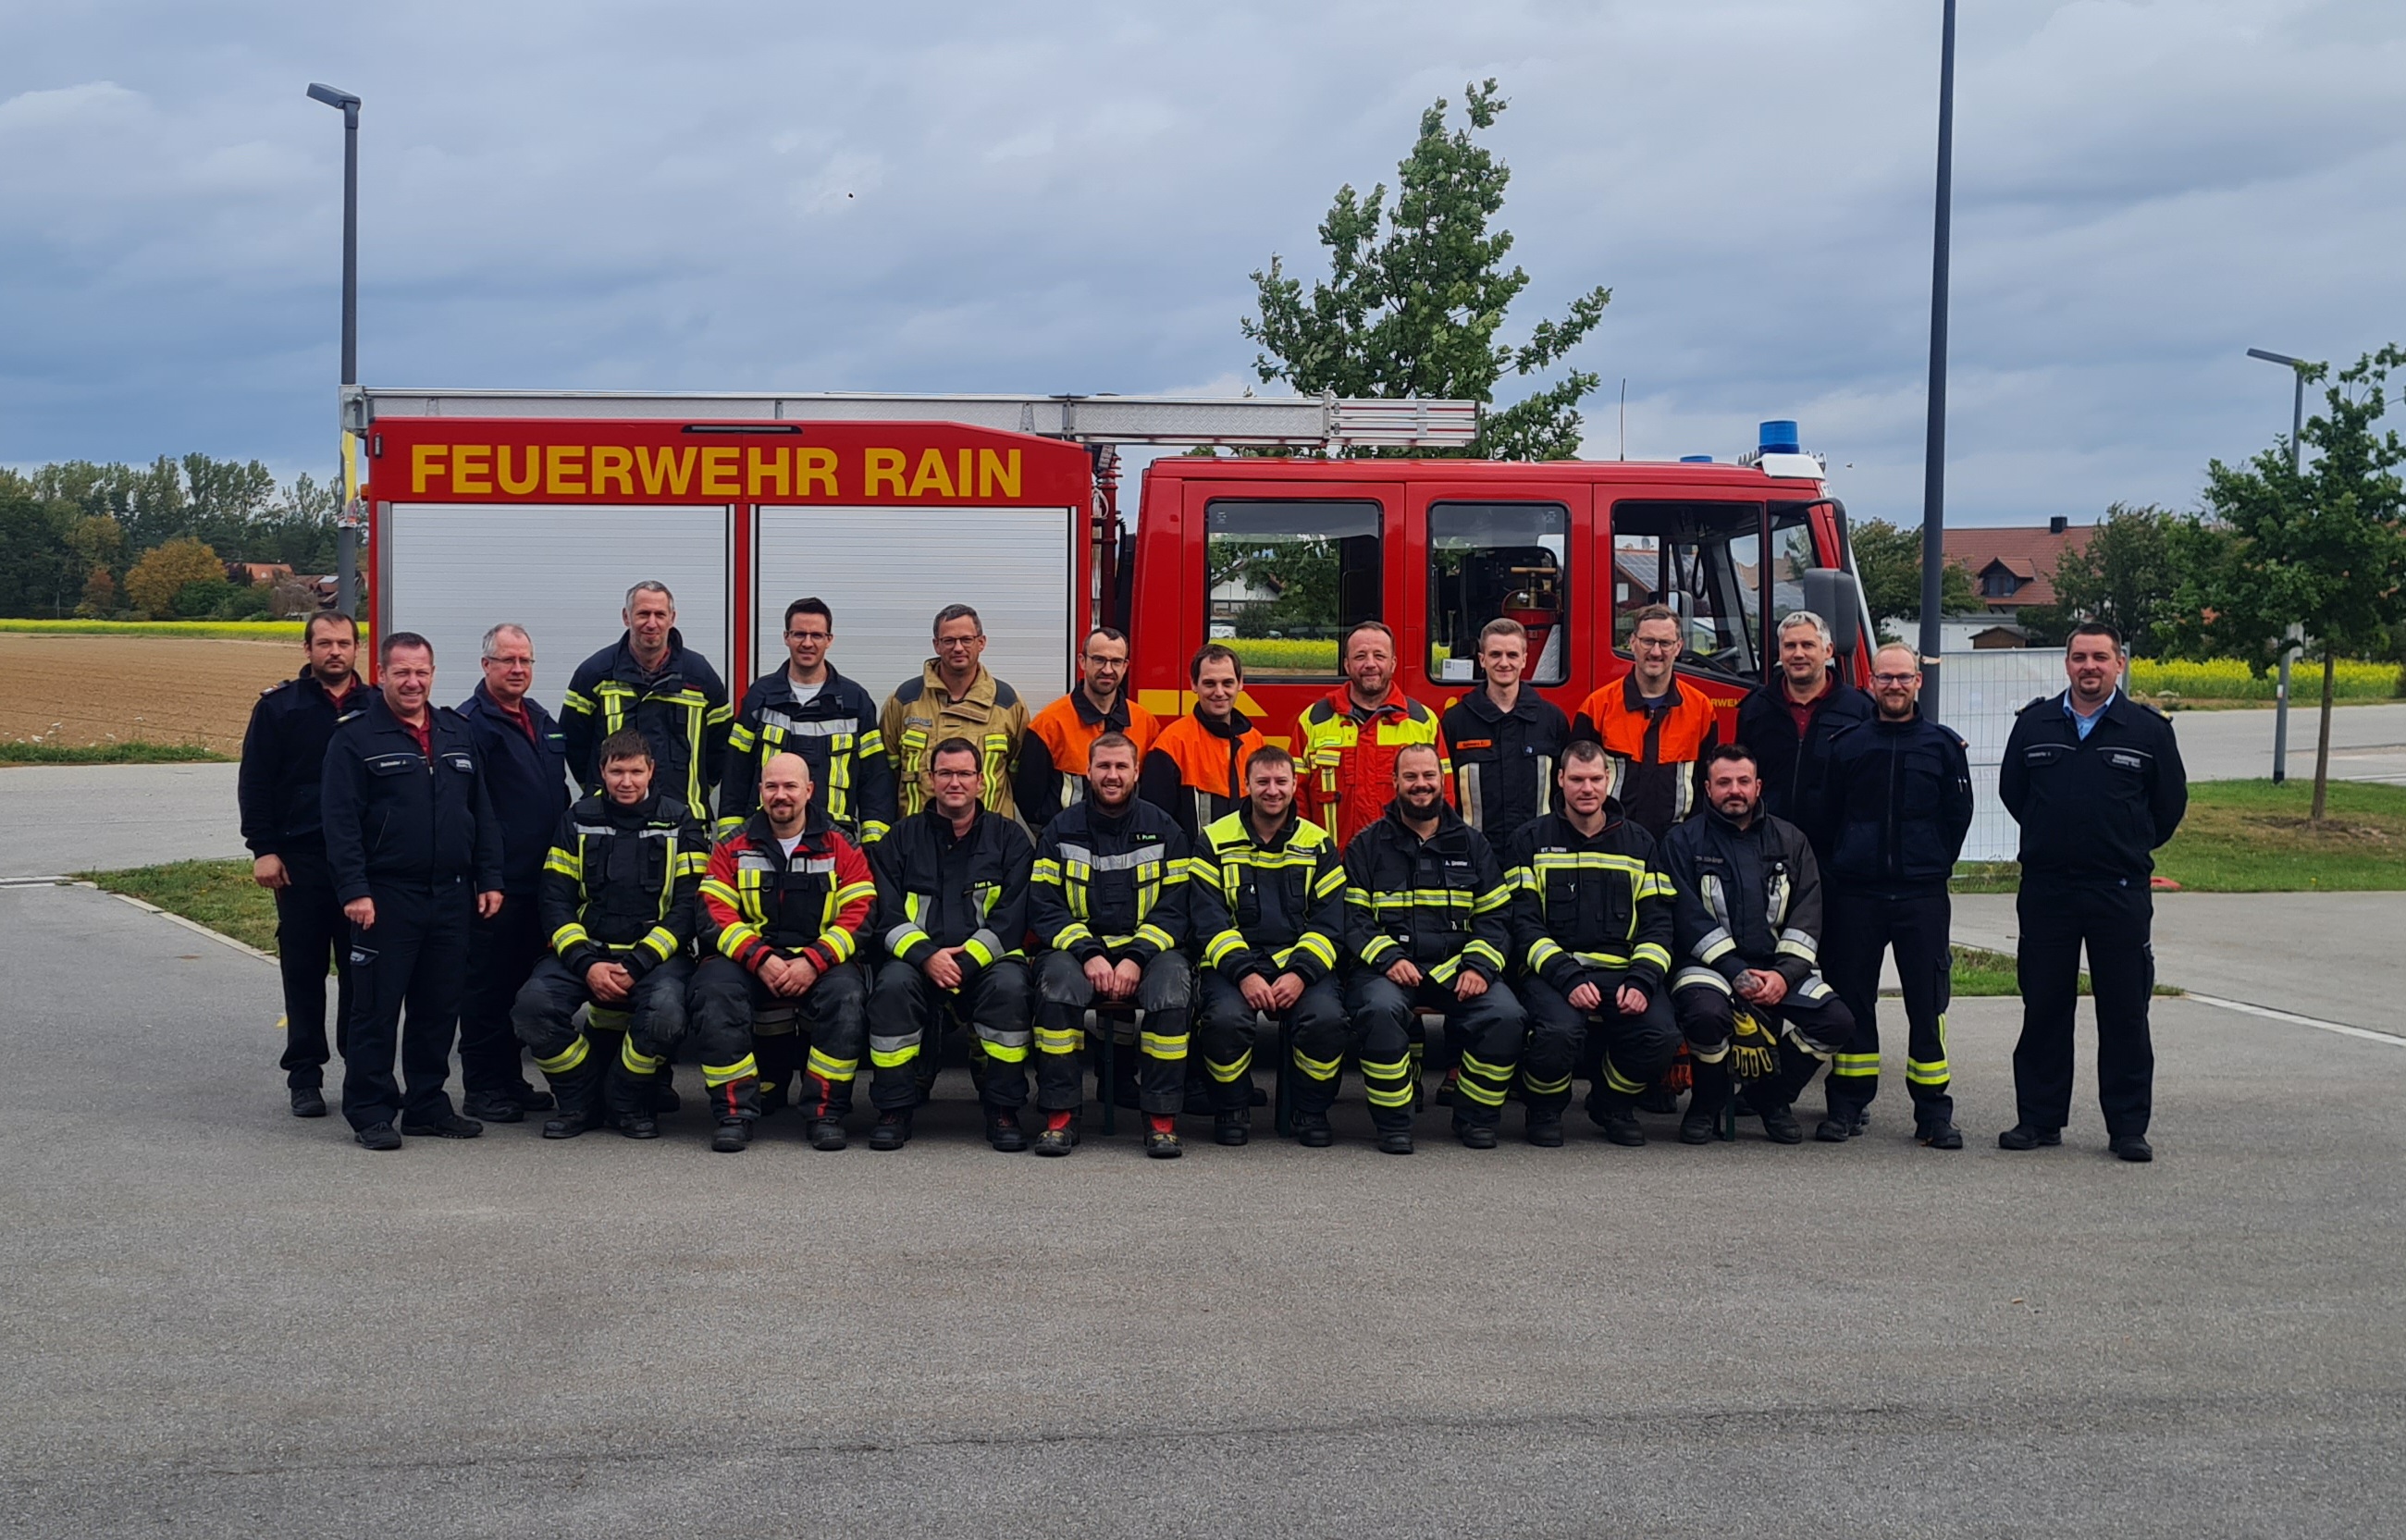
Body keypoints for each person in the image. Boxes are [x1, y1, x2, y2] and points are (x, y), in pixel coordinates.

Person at [1998, 622, 2187, 1163]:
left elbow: (2168, 807)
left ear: (2119, 663)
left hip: (2118, 891)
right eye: (2080, 657)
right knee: (2045, 1008)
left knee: (2126, 1011)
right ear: (2066, 663)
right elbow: (2017, 793)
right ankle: (2038, 1119)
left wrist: (2124, 843)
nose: (2089, 667)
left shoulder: (2148, 731)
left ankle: (2127, 1127)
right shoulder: (2034, 725)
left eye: (2100, 658)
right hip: (2048, 890)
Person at [318, 632, 505, 1150]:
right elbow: (340, 824)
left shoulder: (455, 732)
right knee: (376, 1007)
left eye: (421, 671)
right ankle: (372, 1109)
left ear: (433, 673)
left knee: (439, 1006)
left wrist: (489, 876)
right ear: (381, 675)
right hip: (385, 895)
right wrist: (355, 890)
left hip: (451, 893)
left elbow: (480, 811)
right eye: (401, 672)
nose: (412, 681)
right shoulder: (354, 739)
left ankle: (426, 1104)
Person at [511, 730, 709, 1140]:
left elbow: (688, 906)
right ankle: (580, 1098)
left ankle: (624, 1099)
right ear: (601, 771)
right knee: (532, 1007)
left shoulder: (679, 820)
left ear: (651, 771)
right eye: (617, 771)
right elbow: (554, 900)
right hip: (587, 953)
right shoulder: (578, 818)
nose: (627, 781)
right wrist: (586, 963)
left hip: (654, 958)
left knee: (667, 1014)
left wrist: (637, 964)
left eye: (636, 771)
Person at [1818, 644, 1975, 1148]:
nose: (1894, 686)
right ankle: (1846, 1106)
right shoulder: (1846, 745)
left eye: (1903, 678)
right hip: (1856, 894)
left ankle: (1933, 1115)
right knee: (1853, 1001)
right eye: (1885, 679)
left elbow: (1958, 817)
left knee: (1927, 1004)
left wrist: (1928, 860)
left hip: (1921, 895)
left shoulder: (1943, 746)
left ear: (1918, 683)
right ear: (1870, 683)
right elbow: (1828, 817)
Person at [1660, 745, 1856, 1146]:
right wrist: (1735, 971)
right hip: (1708, 967)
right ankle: (1708, 1102)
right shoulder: (1681, 841)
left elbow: (1807, 914)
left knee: (1836, 1020)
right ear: (1707, 788)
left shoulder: (1791, 839)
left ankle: (1770, 1097)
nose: (1735, 790)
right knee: (1706, 1016)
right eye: (1724, 782)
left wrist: (1784, 976)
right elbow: (1686, 916)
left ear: (1758, 786)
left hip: (1778, 967)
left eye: (1743, 782)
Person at [1339, 743, 1523, 1153]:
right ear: (1395, 783)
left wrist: (1477, 966)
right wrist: (1388, 958)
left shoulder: (1474, 845)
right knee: (1380, 1011)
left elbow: (1496, 917)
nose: (1421, 786)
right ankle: (1394, 1123)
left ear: (1443, 781)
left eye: (1428, 777)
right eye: (1411, 778)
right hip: (1388, 969)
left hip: (1459, 968)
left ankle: (1474, 1117)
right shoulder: (1367, 845)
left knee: (1506, 1015)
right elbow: (1353, 919)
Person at [690, 752, 876, 1153]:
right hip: (751, 960)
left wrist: (814, 961)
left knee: (846, 996)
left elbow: (860, 912)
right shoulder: (733, 846)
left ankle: (825, 1114)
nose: (781, 795)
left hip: (819, 960)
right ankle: (733, 1113)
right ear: (760, 791)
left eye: (790, 786)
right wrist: (760, 958)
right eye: (771, 786)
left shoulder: (841, 845)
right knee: (714, 991)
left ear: (809, 791)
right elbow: (712, 912)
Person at [865, 736, 1038, 1152]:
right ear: (930, 780)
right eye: (945, 773)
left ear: (981, 781)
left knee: (1010, 990)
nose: (954, 782)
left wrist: (970, 960)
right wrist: (926, 957)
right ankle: (894, 1108)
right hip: (918, 959)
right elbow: (884, 911)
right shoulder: (900, 838)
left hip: (989, 959)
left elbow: (1014, 915)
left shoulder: (1010, 839)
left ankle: (1002, 1108)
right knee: (891, 988)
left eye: (964, 774)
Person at [1504, 740, 1680, 1147]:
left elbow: (1658, 925)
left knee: (1662, 1035)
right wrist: (1566, 977)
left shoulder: (1640, 843)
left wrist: (1641, 981)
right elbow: (1524, 924)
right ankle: (1545, 1109)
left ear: (1609, 780)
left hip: (1623, 974)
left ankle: (1612, 1103)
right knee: (1558, 1033)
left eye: (1596, 779)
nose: (1587, 788)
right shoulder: (1529, 840)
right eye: (1578, 779)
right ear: (1560, 780)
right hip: (1553, 975)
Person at [1029, 732, 1195, 1158]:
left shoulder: (1164, 829)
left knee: (1173, 989)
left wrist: (1138, 957)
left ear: (1137, 772)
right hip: (1078, 950)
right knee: (1056, 990)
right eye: (1104, 766)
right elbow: (1045, 907)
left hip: (1149, 951)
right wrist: (1088, 954)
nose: (1112, 775)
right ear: (1088, 771)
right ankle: (1060, 1116)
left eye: (1122, 767)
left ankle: (1160, 1119)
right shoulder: (1060, 830)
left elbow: (1177, 908)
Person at [238, 610, 369, 1118]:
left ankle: (363, 1071)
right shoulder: (279, 708)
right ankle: (305, 1076)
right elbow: (256, 782)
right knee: (305, 969)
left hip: (360, 865)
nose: (334, 652)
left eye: (343, 643)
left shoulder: (376, 706)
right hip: (300, 861)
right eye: (324, 643)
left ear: (357, 649)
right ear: (307, 649)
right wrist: (263, 848)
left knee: (364, 974)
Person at [1187, 745, 1347, 1147]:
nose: (1272, 790)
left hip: (1300, 964)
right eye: (1263, 781)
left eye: (1280, 781)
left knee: (1326, 1020)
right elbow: (1209, 919)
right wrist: (1244, 974)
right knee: (1224, 1022)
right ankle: (1232, 1106)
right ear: (1247, 785)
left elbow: (1330, 920)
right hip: (1235, 964)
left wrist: (1300, 973)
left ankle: (1310, 1109)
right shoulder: (1214, 839)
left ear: (1295, 785)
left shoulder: (1318, 842)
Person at [452, 623, 572, 1124]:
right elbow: (466, 812)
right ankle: (483, 1088)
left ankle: (511, 1081)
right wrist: (487, 877)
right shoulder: (469, 726)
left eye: (525, 661)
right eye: (507, 661)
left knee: (518, 985)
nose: (518, 669)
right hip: (496, 886)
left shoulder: (540, 720)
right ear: (486, 666)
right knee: (486, 990)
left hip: (537, 882)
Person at [719, 597, 896, 844]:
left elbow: (875, 783)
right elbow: (735, 775)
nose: (807, 643)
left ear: (829, 640)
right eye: (799, 634)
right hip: (766, 835)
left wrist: (873, 849)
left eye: (816, 635)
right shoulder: (760, 697)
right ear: (786, 637)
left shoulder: (855, 701)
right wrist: (731, 843)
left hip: (835, 840)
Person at [561, 580, 732, 819]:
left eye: (659, 614)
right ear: (626, 617)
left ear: (672, 618)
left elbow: (721, 748)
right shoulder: (594, 675)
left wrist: (694, 792)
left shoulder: (700, 677)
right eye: (643, 614)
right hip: (609, 823)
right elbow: (574, 745)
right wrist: (602, 788)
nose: (651, 623)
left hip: (683, 823)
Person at [1569, 604, 1720, 841]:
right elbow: (1575, 783)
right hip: (1611, 840)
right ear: (1632, 643)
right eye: (1648, 641)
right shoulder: (1598, 707)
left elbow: (1707, 785)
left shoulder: (1700, 709)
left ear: (1678, 647)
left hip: (1678, 843)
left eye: (1665, 643)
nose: (1656, 652)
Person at [1734, 610, 1873, 859]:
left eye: (1808, 645)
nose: (1798, 654)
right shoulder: (1755, 709)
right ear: (1780, 652)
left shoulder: (1860, 711)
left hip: (1836, 855)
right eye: (1790, 646)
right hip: (1768, 848)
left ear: (1828, 651)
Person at [1298, 621, 1449, 847]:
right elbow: (1296, 799)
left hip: (1403, 865)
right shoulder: (1314, 720)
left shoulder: (1422, 722)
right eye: (1360, 657)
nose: (1370, 664)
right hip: (1333, 866)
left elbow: (1445, 799)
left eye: (1379, 656)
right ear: (1347, 665)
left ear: (1393, 663)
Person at [881, 603, 1030, 826]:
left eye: (966, 640)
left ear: (982, 643)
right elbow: (884, 777)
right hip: (917, 840)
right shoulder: (904, 701)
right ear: (936, 645)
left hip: (988, 842)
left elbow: (1022, 780)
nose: (958, 648)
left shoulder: (1008, 704)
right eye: (949, 641)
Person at [1441, 617, 1572, 842]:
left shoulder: (1552, 720)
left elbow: (1566, 793)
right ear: (1482, 660)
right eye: (1495, 655)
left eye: (1512, 655)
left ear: (1524, 660)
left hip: (1538, 852)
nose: (1504, 663)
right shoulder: (1456, 722)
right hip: (1475, 856)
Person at [1018, 626, 1159, 831]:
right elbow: (1029, 802)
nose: (1108, 670)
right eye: (1099, 660)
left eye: (1116, 662)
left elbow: (1151, 794)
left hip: (1129, 842)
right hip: (1069, 842)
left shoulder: (1145, 723)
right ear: (1082, 661)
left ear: (1125, 666)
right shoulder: (1049, 725)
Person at [1140, 642, 1268, 842]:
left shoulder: (1255, 741)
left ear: (1240, 684)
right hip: (1195, 866)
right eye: (1209, 683)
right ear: (1193, 684)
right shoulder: (1170, 745)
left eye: (1227, 683)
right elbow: (1156, 825)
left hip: (1246, 865)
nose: (1219, 692)